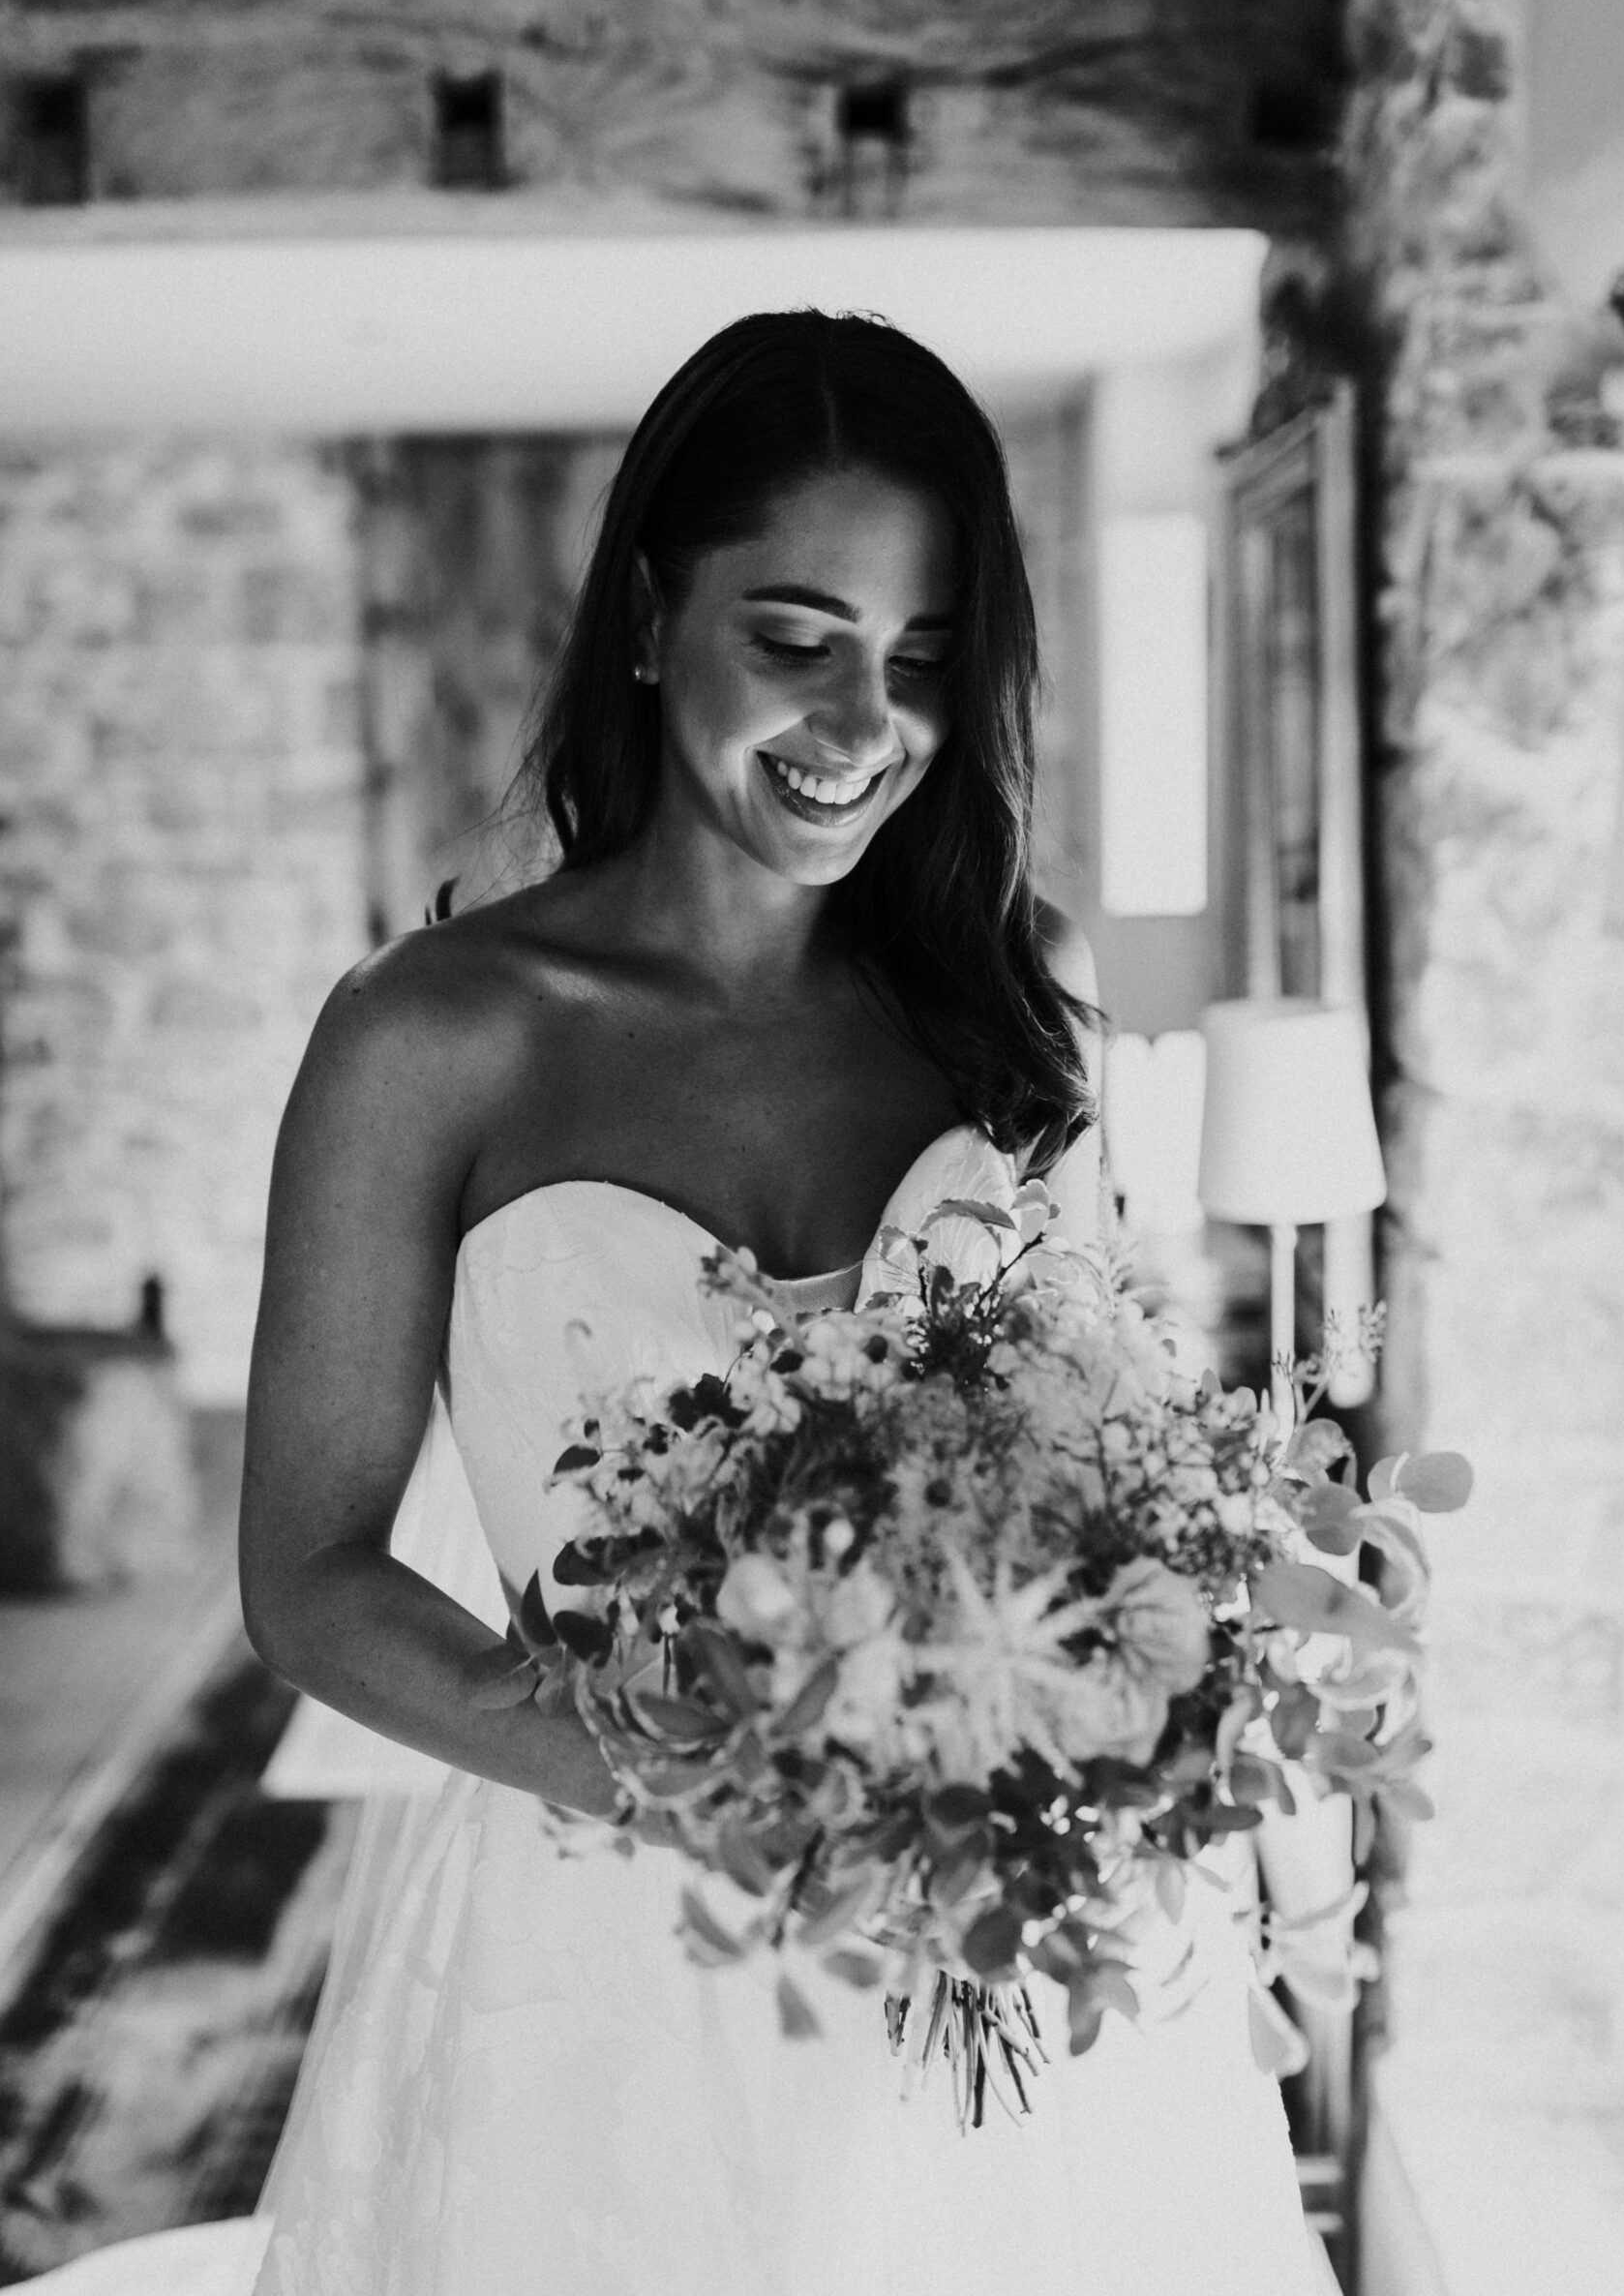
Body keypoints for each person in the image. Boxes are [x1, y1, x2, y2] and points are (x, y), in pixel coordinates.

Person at [34, 313, 1335, 2294]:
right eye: (792, 635)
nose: (856, 721)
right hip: (602, 1964)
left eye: (915, 658)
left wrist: (1122, 1682)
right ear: (649, 618)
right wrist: (673, 1777)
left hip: (993, 1963)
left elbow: (1084, 1439)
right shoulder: (431, 1037)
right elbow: (305, 1572)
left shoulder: (1012, 989)